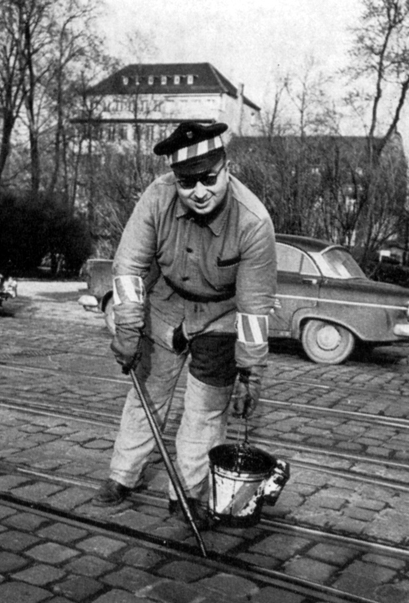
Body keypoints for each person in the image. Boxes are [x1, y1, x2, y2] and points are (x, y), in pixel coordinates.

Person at [95, 121, 277, 526]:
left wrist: (251, 372)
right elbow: (128, 268)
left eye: (209, 179)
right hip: (165, 306)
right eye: (186, 182)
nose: (198, 192)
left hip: (222, 315)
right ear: (174, 179)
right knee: (148, 393)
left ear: (226, 167)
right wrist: (127, 331)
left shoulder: (253, 222)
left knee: (205, 412)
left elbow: (253, 307)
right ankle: (122, 476)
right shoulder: (156, 198)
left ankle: (188, 494)